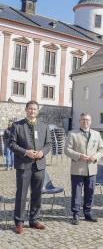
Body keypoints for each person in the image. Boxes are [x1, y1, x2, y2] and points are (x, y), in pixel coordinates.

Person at [9, 100, 51, 234]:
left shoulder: (44, 126)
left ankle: (34, 219)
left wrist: (41, 152)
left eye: (35, 109)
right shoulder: (17, 125)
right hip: (23, 165)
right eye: (30, 109)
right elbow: (11, 144)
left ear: (37, 111)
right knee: (21, 194)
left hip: (39, 166)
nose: (32, 111)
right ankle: (19, 222)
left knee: (37, 194)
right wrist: (25, 152)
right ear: (26, 110)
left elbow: (48, 144)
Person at [64, 113, 103, 225]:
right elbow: (67, 150)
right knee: (76, 192)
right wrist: (79, 155)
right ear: (79, 121)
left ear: (90, 121)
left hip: (91, 168)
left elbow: (101, 150)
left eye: (87, 120)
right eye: (83, 120)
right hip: (78, 168)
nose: (85, 122)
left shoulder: (97, 134)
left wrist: (95, 157)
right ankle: (76, 214)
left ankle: (88, 212)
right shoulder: (72, 134)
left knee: (90, 191)